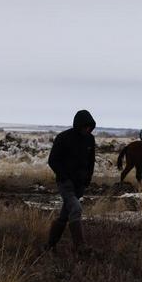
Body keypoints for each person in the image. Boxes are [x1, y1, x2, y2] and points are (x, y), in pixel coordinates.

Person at [45, 109, 96, 256]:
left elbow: (91, 161)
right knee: (76, 208)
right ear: (78, 125)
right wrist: (64, 176)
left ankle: (49, 246)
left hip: (80, 185)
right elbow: (52, 160)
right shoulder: (63, 138)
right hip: (65, 183)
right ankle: (80, 247)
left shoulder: (90, 140)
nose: (87, 129)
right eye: (85, 126)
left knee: (64, 215)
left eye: (89, 127)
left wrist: (88, 179)